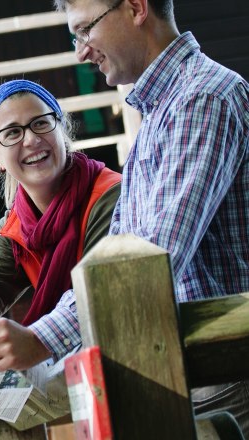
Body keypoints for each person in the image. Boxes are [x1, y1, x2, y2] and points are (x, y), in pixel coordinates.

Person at [54, 0, 249, 433]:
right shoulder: (162, 110)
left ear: (138, 8)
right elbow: (117, 255)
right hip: (200, 376)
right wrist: (39, 348)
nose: (81, 51)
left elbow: (144, 264)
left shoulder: (201, 98)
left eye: (86, 30)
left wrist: (40, 342)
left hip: (229, 382)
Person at [0, 79, 121, 416]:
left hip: (128, 368)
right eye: (12, 133)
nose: (32, 139)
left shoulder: (110, 196)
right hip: (85, 379)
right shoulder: (17, 223)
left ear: (61, 129)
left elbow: (100, 296)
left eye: (41, 122)